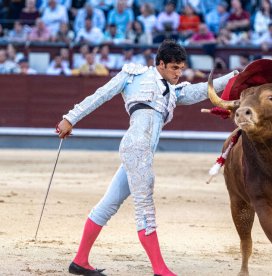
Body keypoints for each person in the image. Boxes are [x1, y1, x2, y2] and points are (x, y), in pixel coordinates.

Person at [56, 40, 237, 276]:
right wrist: (70, 118)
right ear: (160, 64)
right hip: (136, 149)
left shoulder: (173, 91)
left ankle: (80, 261)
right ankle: (160, 270)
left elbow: (202, 90)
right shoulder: (133, 75)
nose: (178, 73)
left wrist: (235, 77)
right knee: (145, 208)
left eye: (181, 69)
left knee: (108, 204)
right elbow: (100, 95)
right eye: (174, 68)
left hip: (141, 152)